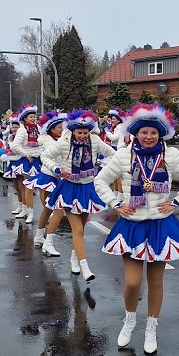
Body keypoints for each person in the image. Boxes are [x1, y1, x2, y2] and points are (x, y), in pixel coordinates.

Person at [94, 102, 179, 354]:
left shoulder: (170, 155)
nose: (149, 136)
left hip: (160, 225)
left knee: (155, 281)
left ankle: (151, 327)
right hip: (131, 225)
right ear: (136, 133)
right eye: (144, 132)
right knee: (133, 283)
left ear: (160, 134)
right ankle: (130, 319)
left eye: (153, 132)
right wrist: (116, 204)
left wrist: (176, 201)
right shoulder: (123, 155)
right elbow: (100, 180)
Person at [42, 109, 114, 281]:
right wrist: (57, 169)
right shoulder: (64, 143)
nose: (82, 136)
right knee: (78, 229)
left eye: (85, 132)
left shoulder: (95, 141)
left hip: (88, 188)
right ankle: (85, 267)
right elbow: (45, 156)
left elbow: (113, 154)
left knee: (82, 227)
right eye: (79, 132)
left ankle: (74, 258)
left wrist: (102, 168)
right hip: (70, 188)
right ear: (73, 131)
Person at [23, 110, 68, 256]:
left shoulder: (57, 139)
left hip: (56, 176)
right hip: (50, 175)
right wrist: (60, 169)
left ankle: (39, 237)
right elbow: (50, 158)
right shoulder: (50, 141)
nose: (62, 129)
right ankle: (47, 242)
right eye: (59, 127)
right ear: (51, 129)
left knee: (49, 209)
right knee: (55, 209)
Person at [11, 105, 43, 222]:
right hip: (27, 160)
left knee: (39, 188)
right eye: (31, 117)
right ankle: (27, 210)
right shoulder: (22, 130)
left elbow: (43, 143)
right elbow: (15, 146)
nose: (33, 118)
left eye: (34, 116)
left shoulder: (38, 128)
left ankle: (43, 211)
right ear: (25, 119)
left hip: (38, 160)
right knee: (24, 187)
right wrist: (26, 154)